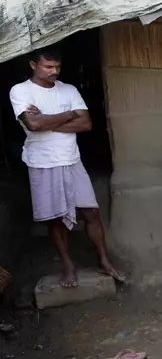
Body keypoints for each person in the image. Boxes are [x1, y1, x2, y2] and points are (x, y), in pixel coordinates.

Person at [9, 47, 125, 287]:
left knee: (91, 212)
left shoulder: (69, 89)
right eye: (48, 67)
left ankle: (104, 261)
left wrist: (47, 120)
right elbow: (32, 124)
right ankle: (68, 266)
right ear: (33, 65)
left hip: (72, 159)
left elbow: (86, 124)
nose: (54, 72)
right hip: (42, 162)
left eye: (57, 67)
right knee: (56, 219)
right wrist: (69, 114)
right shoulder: (20, 91)